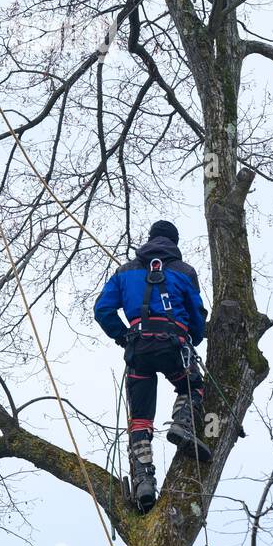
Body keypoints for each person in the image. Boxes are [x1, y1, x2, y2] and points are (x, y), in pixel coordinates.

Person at [94, 219, 212, 514]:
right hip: (173, 345)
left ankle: (144, 479)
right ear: (175, 243)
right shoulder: (184, 272)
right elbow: (196, 313)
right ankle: (183, 423)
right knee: (192, 385)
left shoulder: (126, 271)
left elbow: (102, 309)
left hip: (139, 349)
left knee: (140, 418)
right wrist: (194, 337)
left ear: (150, 238)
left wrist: (123, 336)